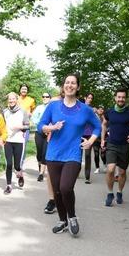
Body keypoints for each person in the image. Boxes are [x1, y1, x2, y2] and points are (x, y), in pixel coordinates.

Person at [37, 73, 101, 237]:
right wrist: (52, 128)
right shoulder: (53, 106)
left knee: (66, 188)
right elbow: (40, 126)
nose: (70, 85)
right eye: (67, 82)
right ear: (63, 86)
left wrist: (91, 141)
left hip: (73, 154)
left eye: (73, 83)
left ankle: (72, 216)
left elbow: (97, 126)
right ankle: (62, 220)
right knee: (57, 190)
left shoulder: (85, 109)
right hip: (53, 154)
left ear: (78, 87)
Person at [101, 88, 129, 206]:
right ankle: (110, 193)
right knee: (110, 169)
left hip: (124, 146)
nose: (121, 99)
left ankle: (119, 192)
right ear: (115, 98)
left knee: (122, 172)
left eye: (123, 97)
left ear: (126, 98)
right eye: (119, 97)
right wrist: (103, 139)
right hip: (111, 144)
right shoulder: (109, 112)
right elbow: (104, 125)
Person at [3, 92, 30, 194]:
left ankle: (20, 174)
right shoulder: (5, 112)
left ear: (16, 99)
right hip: (8, 141)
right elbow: (2, 125)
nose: (11, 101)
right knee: (9, 164)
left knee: (17, 165)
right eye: (9, 99)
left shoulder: (23, 111)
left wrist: (20, 127)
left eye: (13, 99)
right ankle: (9, 185)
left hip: (19, 141)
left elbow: (28, 126)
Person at [31, 91, 51, 182]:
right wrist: (41, 125)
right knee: (39, 153)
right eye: (43, 96)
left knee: (44, 153)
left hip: (48, 133)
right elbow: (33, 118)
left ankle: (41, 173)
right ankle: (40, 166)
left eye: (47, 97)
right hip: (39, 131)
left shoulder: (52, 108)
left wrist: (49, 128)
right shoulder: (39, 108)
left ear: (50, 98)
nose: (44, 98)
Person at [17, 83, 36, 170]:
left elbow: (33, 111)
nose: (24, 90)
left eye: (25, 89)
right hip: (16, 125)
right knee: (15, 144)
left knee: (23, 144)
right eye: (22, 89)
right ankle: (16, 162)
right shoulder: (16, 99)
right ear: (20, 90)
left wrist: (30, 114)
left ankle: (21, 164)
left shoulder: (31, 100)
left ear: (27, 91)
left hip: (26, 125)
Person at [81, 93, 98, 184]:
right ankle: (75, 172)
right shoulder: (80, 107)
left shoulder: (93, 110)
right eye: (89, 98)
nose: (90, 99)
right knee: (77, 155)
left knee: (87, 155)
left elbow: (96, 123)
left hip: (89, 135)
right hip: (79, 134)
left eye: (91, 98)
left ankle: (87, 177)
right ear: (85, 98)